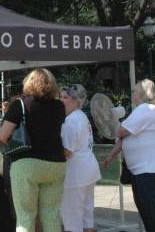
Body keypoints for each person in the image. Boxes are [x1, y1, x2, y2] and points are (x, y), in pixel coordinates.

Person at [0, 68, 66, 232]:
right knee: (51, 215)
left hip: (27, 164)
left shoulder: (19, 105)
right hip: (56, 164)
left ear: (29, 83)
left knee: (25, 217)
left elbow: (2, 136)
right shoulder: (59, 106)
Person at [104, 79, 155, 232]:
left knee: (148, 205)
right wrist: (111, 155)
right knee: (145, 205)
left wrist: (112, 119)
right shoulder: (144, 110)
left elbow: (121, 131)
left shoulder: (146, 109)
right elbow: (125, 137)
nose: (132, 94)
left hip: (150, 166)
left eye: (134, 91)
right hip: (145, 167)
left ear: (143, 93)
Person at [59, 84, 101, 232]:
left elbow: (67, 151)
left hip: (76, 172)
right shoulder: (81, 116)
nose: (61, 100)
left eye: (65, 97)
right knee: (86, 214)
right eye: (60, 97)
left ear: (76, 101)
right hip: (88, 168)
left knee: (72, 218)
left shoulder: (70, 121)